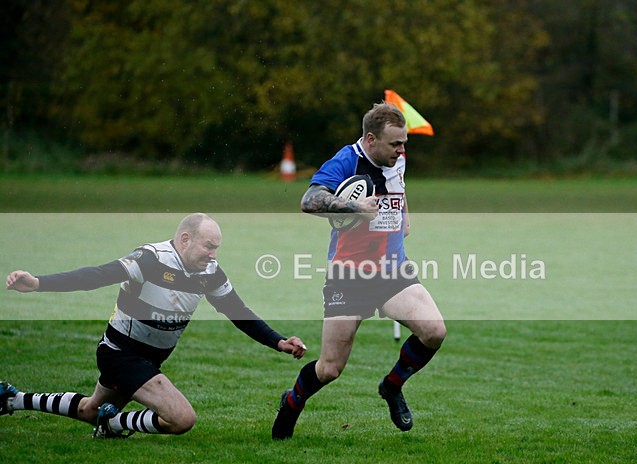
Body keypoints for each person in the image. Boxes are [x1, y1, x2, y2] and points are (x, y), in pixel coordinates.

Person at [1, 213, 306, 438]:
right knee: (181, 418)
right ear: (185, 240)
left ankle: (14, 398)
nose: (213, 255)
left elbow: (236, 310)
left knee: (90, 410)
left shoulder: (209, 271)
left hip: (145, 360)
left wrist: (279, 341)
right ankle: (114, 425)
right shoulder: (150, 259)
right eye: (208, 246)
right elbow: (97, 275)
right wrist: (38, 284)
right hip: (122, 354)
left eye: (217, 248)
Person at [271, 102, 446, 439]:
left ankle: (392, 386)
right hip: (349, 276)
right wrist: (355, 206)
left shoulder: (397, 159)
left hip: (393, 271)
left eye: (404, 143)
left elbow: (399, 185)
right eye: (395, 143)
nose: (401, 149)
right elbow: (308, 200)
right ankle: (292, 402)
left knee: (434, 331)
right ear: (370, 139)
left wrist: (404, 214)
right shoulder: (346, 160)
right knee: (330, 368)